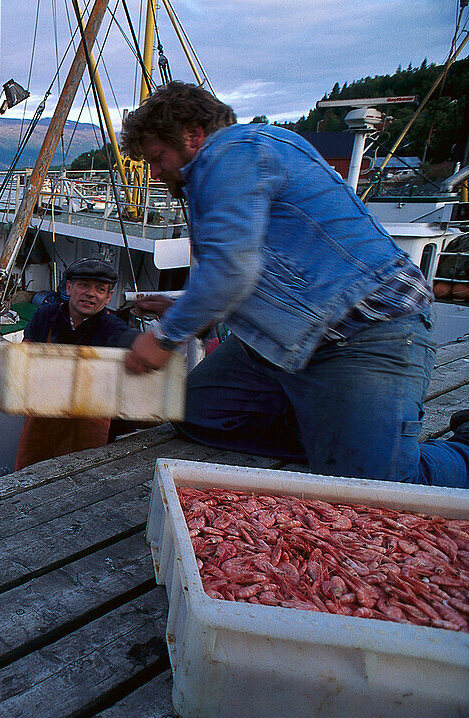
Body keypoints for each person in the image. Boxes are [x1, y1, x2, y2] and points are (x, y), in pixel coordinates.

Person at [119, 80, 468, 488]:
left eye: (158, 157)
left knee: (376, 489)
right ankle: (337, 439)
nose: (155, 171)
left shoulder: (232, 151)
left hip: (366, 331)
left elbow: (232, 269)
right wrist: (181, 307)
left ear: (193, 135)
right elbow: (259, 268)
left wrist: (164, 337)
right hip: (284, 344)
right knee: (197, 413)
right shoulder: (242, 158)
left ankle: (443, 452)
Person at [14, 257, 147, 469]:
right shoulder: (45, 316)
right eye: (83, 285)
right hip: (41, 421)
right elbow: (24, 355)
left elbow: (133, 343)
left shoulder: (113, 328)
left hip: (87, 429)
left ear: (108, 296)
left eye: (100, 289)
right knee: (28, 477)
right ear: (69, 287)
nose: (91, 293)